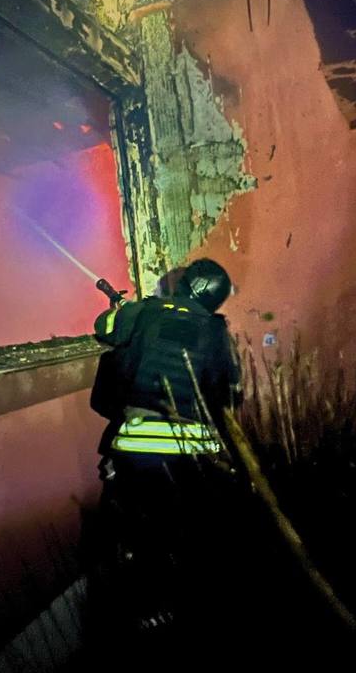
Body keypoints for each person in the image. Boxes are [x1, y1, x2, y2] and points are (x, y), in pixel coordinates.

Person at [87, 258, 243, 645]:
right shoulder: (217, 331)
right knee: (189, 534)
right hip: (197, 451)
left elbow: (103, 329)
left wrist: (121, 310)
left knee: (136, 534)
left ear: (186, 284)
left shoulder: (143, 311)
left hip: (135, 446)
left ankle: (138, 613)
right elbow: (231, 391)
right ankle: (183, 612)